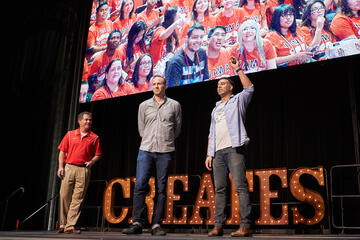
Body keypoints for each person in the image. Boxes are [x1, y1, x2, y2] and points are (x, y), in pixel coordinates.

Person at [122, 75, 182, 236]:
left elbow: (177, 129)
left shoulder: (175, 105)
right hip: (146, 150)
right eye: (154, 84)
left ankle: (156, 224)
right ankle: (137, 223)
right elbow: (141, 129)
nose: (156, 86)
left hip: (165, 151)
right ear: (152, 86)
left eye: (159, 84)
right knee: (140, 185)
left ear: (165, 86)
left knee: (161, 189)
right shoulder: (144, 105)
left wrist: (165, 139)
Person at [205, 57, 253, 237]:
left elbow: (249, 88)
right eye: (218, 84)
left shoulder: (238, 100)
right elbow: (212, 132)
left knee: (240, 186)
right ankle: (218, 226)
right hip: (218, 152)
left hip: (234, 148)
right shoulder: (215, 108)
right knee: (219, 189)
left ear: (231, 87)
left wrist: (238, 69)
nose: (219, 86)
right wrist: (209, 154)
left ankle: (245, 225)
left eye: (223, 83)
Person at [56, 112, 102, 234]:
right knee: (64, 195)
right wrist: (61, 167)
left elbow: (98, 154)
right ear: (79, 121)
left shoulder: (94, 137)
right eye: (86, 120)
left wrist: (91, 162)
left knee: (78, 198)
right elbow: (62, 151)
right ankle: (63, 223)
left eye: (90, 120)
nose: (88, 122)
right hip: (69, 167)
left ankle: (70, 226)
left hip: (83, 170)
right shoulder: (70, 135)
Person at [150, 6, 184, 75]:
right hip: (156, 68)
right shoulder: (160, 29)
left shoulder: (176, 30)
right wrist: (176, 23)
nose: (181, 14)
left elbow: (177, 49)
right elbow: (163, 36)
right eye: (179, 12)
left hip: (169, 66)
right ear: (172, 16)